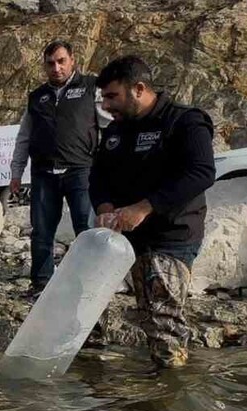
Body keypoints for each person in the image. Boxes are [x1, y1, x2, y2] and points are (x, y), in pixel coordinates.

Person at [90, 56, 215, 369]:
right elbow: (98, 176)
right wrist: (104, 207)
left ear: (139, 89)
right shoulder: (116, 130)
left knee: (162, 323)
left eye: (112, 96)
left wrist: (145, 207)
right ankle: (91, 381)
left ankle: (169, 398)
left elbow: (201, 172)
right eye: (103, 97)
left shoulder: (184, 121)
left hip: (169, 236)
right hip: (119, 235)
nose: (106, 105)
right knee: (85, 303)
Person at [9, 40, 108, 296]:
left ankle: (91, 286)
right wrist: (16, 173)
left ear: (72, 60)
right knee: (41, 231)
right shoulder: (37, 97)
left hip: (81, 171)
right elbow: (24, 137)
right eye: (51, 63)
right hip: (44, 174)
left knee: (85, 230)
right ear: (44, 66)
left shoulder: (90, 87)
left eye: (61, 61)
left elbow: (108, 126)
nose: (56, 68)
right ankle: (41, 284)